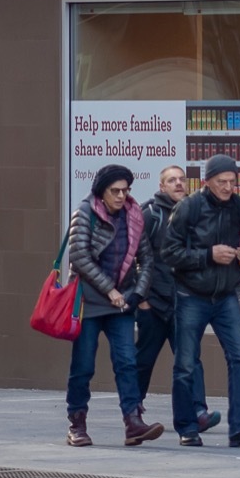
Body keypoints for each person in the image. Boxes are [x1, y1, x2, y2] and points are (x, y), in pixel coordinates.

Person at [165, 154, 240, 448]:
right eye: (221, 182)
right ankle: (187, 427)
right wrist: (207, 255)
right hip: (191, 295)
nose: (227, 187)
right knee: (185, 363)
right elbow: (169, 252)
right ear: (206, 182)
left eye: (232, 182)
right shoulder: (190, 207)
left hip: (225, 296)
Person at [64, 163, 164, 448]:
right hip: (90, 301)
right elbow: (79, 256)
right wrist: (110, 291)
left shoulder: (134, 215)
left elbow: (146, 259)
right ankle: (77, 424)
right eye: (115, 191)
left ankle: (133, 423)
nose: (121, 196)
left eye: (126, 190)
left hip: (121, 302)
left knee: (127, 363)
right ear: (102, 191)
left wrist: (137, 293)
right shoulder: (85, 212)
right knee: (83, 365)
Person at [137, 165, 220, 434]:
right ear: (162, 187)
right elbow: (134, 257)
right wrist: (142, 299)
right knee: (144, 359)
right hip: (153, 302)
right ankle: (133, 408)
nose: (178, 184)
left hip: (184, 302)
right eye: (171, 180)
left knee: (190, 359)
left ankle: (198, 412)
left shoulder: (194, 214)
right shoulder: (149, 214)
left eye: (182, 179)